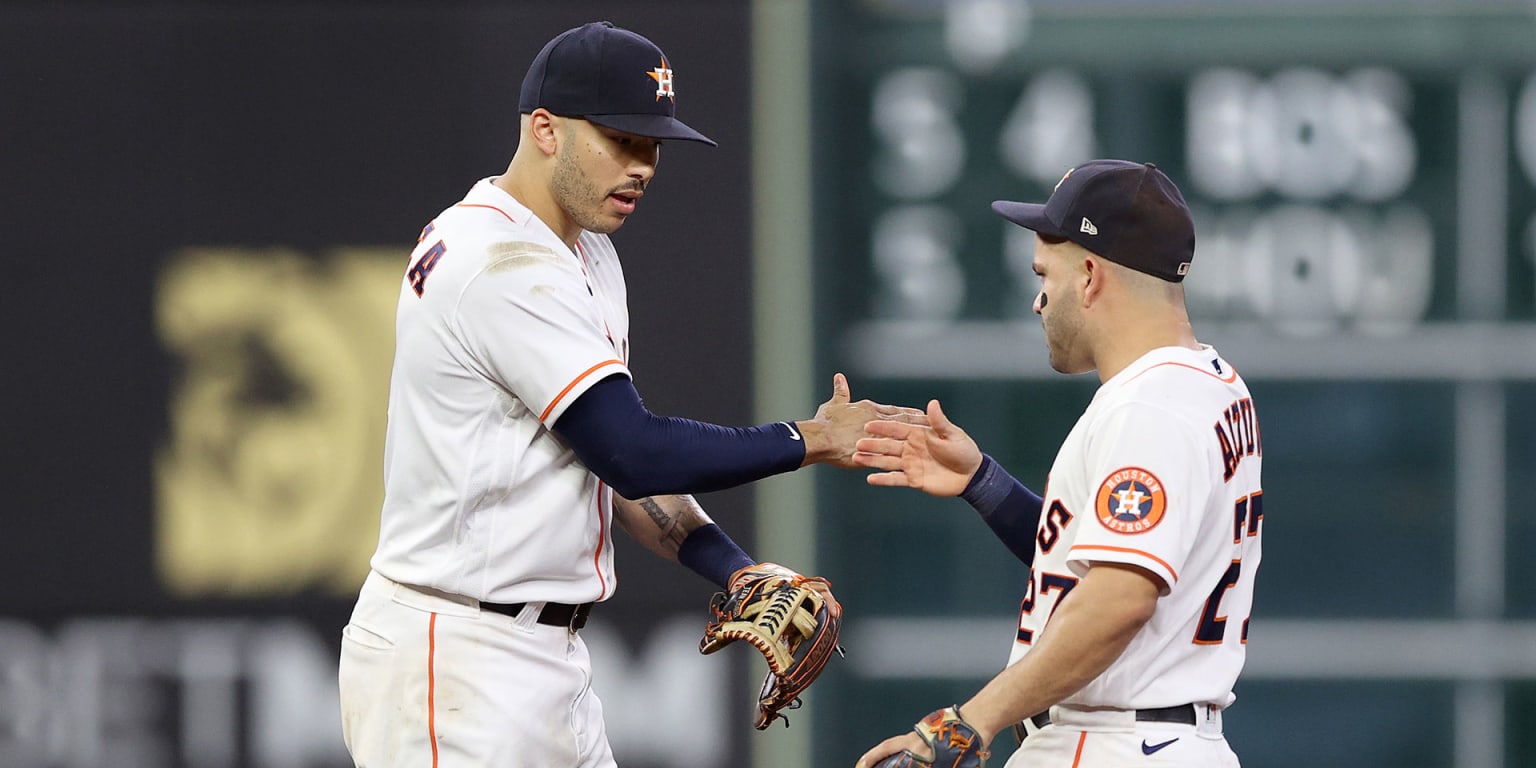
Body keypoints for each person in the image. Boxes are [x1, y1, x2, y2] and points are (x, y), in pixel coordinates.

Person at [337, 21, 914, 768]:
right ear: (545, 129)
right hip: (456, 656)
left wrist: (733, 569)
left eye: (653, 145)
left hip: (541, 662)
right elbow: (634, 451)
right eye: (622, 139)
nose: (643, 165)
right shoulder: (502, 263)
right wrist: (809, 438)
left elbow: (603, 462)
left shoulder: (585, 251)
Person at [852, 160, 1264, 768]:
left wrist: (968, 722)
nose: (1038, 299)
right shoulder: (1215, 386)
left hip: (1114, 744)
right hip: (1159, 741)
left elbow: (1119, 598)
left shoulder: (1148, 406)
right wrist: (984, 484)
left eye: (1046, 274)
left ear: (1091, 276)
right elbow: (1102, 562)